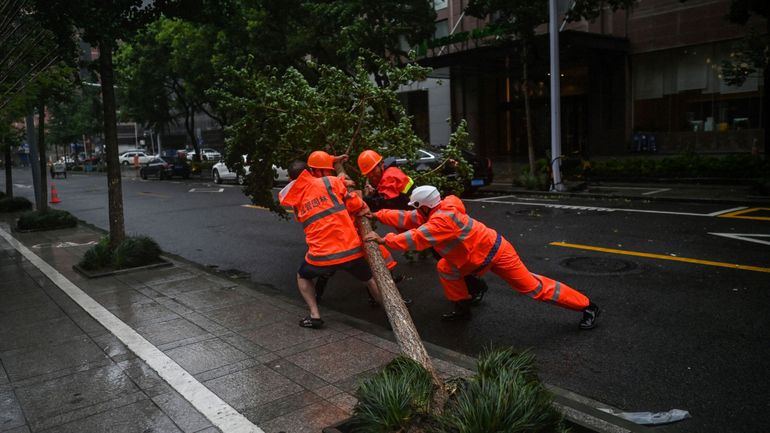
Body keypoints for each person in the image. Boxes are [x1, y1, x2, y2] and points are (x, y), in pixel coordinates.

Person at [363, 185, 600, 329]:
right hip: (473, 258)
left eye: (417, 207)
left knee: (532, 288)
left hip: (497, 253)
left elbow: (416, 238)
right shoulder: (434, 212)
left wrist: (385, 240)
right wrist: (377, 214)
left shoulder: (442, 219)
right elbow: (406, 219)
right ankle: (462, 306)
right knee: (446, 267)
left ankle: (587, 306)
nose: (415, 211)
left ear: (425, 206)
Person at [358, 149, 489, 305]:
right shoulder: (387, 175)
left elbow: (385, 202)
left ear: (381, 165)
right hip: (419, 217)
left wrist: (365, 200)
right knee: (444, 255)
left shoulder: (390, 176)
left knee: (447, 256)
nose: (372, 176)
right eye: (369, 174)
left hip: (424, 219)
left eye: (374, 172)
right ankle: (470, 288)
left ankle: (475, 286)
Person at [278, 151, 383, 328]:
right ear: (310, 172)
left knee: (302, 276)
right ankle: (391, 312)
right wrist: (360, 204)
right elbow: (354, 204)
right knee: (369, 279)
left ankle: (315, 315)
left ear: (291, 180)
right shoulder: (330, 182)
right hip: (349, 250)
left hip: (320, 256)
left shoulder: (295, 201)